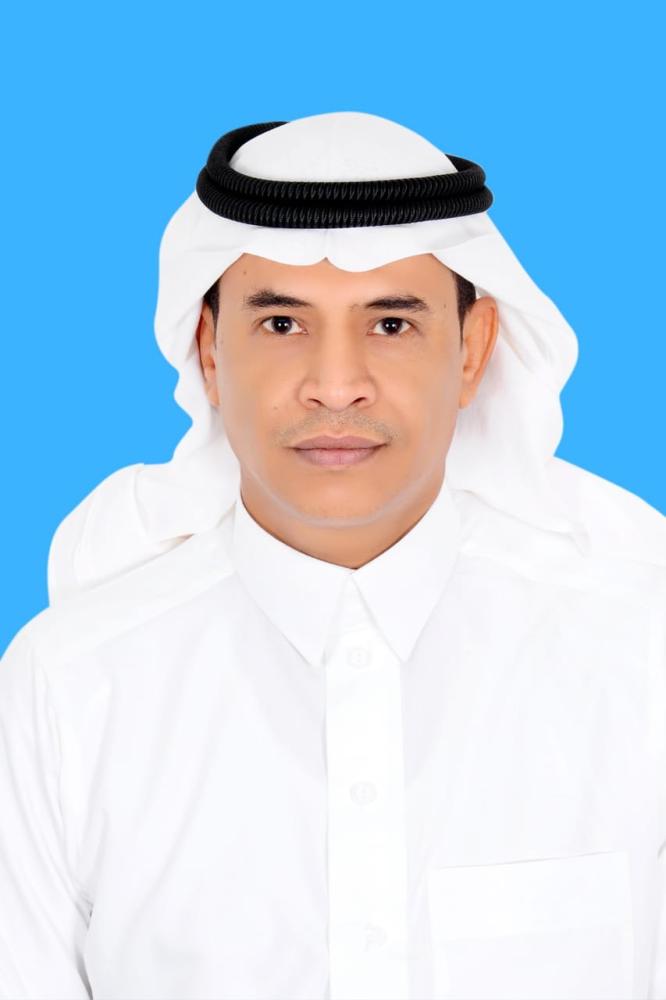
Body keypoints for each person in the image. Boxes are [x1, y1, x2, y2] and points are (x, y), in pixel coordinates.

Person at [0, 111, 664, 1000]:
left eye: (391, 324)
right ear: (209, 353)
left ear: (473, 351)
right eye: (282, 324)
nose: (337, 385)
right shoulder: (69, 689)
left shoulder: (638, 660)